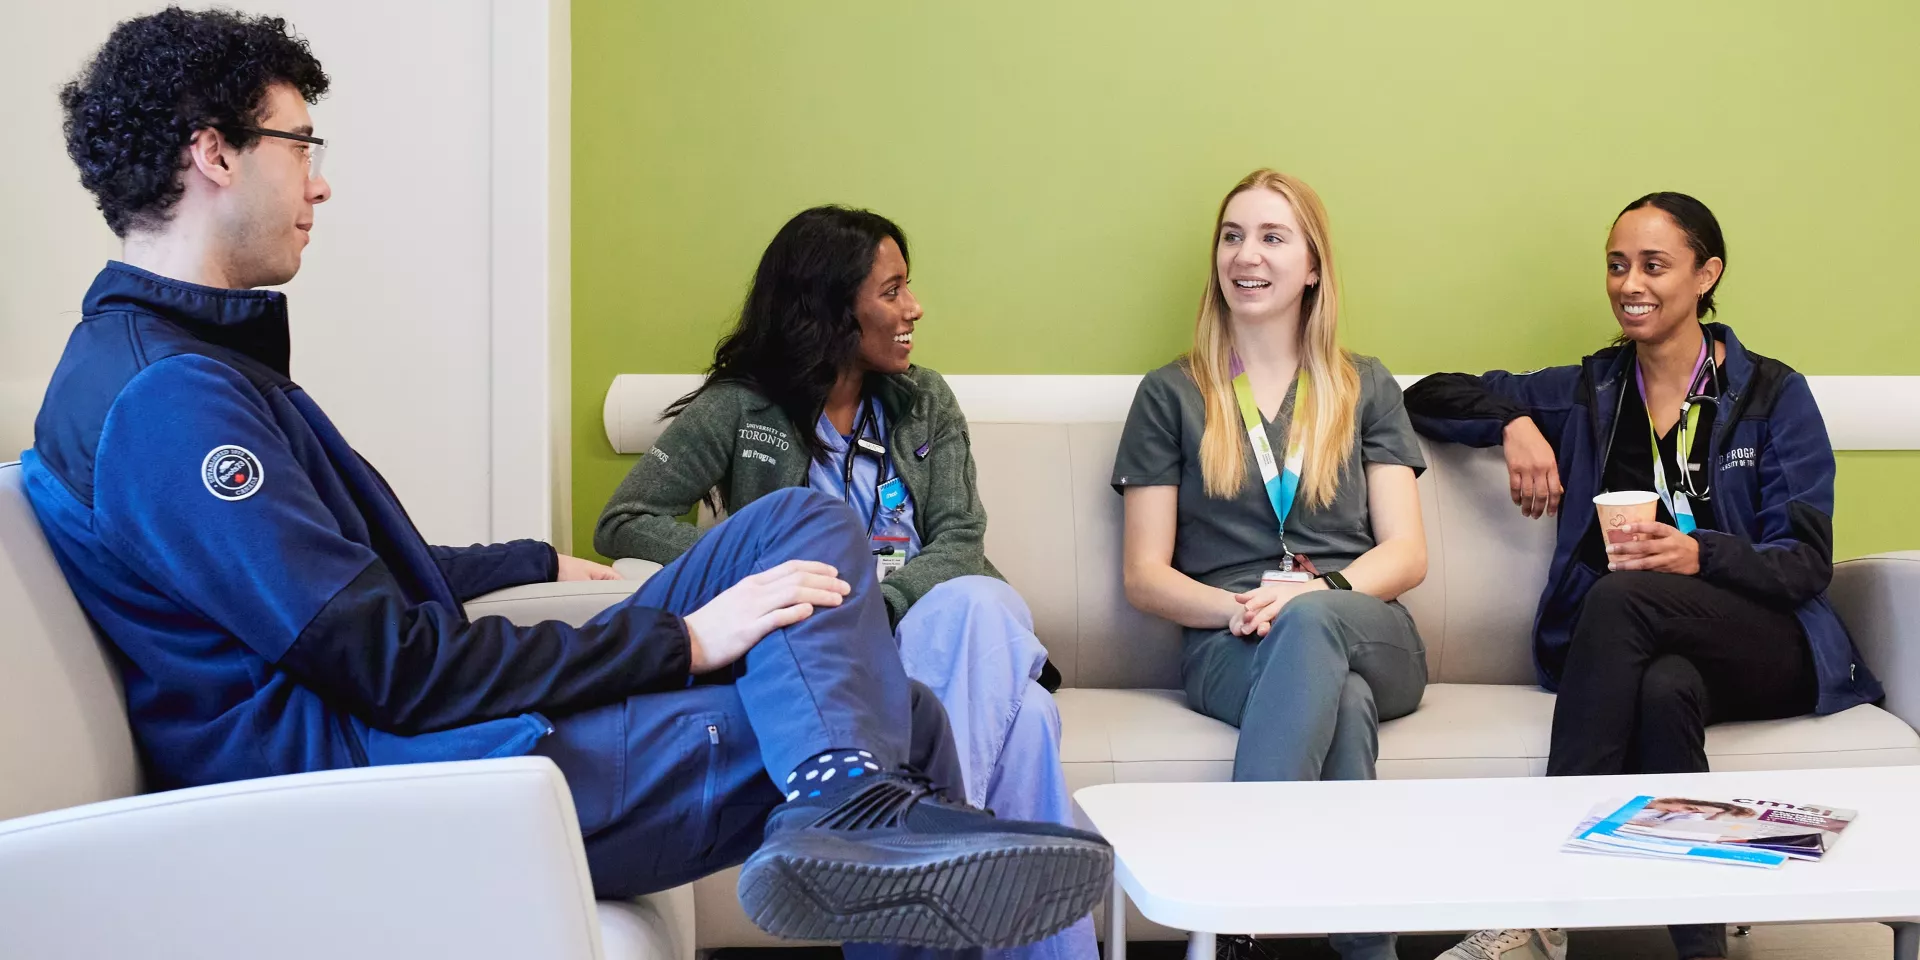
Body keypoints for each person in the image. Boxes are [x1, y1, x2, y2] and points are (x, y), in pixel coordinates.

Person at [28, 9, 1110, 954]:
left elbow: (346, 588)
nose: (318, 179)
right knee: (906, 724)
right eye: (299, 142)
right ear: (215, 155)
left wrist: (532, 560)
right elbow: (390, 668)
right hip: (384, 781)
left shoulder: (189, 365)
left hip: (398, 736)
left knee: (802, 522)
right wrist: (680, 641)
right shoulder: (171, 404)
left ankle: (846, 803)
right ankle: (850, 801)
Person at [596, 206, 1094, 960]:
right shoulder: (739, 410)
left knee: (979, 598)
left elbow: (961, 540)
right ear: (832, 312)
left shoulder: (925, 401)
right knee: (1025, 723)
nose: (913, 308)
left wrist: (877, 600)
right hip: (840, 660)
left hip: (942, 623)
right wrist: (759, 572)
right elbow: (626, 519)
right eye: (892, 291)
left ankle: (887, 861)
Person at [1407, 192, 1881, 960]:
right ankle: (1701, 940)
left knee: (1620, 594)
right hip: (1656, 649)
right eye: (1617, 265)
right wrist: (1515, 422)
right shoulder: (1595, 389)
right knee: (1663, 690)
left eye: (1654, 265)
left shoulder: (1770, 396)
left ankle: (1536, 907)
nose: (1631, 283)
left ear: (1706, 274)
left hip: (1768, 643)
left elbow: (1804, 563)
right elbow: (1426, 394)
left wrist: (1702, 554)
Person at [1112, 169, 1429, 960]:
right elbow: (1144, 575)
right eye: (1231, 235)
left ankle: (1228, 918)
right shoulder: (1169, 395)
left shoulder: (1368, 387)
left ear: (1313, 266)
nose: (1244, 255)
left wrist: (1314, 593)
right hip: (1230, 643)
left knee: (1320, 627)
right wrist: (1239, 609)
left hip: (1362, 623)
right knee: (1345, 706)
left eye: (1271, 237)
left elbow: (1407, 553)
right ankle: (1369, 953)